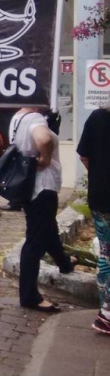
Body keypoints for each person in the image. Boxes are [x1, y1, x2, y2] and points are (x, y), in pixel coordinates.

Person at [12, 106, 72, 312]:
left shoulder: (18, 117)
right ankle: (29, 296)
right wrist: (45, 158)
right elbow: (44, 139)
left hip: (32, 188)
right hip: (43, 187)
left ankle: (64, 263)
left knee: (47, 229)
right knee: (35, 241)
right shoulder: (35, 118)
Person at [78, 105, 110, 333]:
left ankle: (106, 314)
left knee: (107, 254)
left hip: (102, 196)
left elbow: (84, 155)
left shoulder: (98, 117)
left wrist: (100, 173)